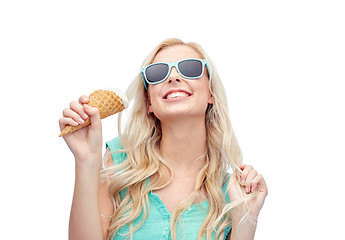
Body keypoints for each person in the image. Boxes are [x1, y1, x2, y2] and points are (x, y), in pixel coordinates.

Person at [59, 38, 268, 240]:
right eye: (157, 73)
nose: (173, 77)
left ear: (211, 92)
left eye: (191, 68)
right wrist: (86, 160)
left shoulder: (231, 192)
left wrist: (245, 218)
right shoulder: (119, 163)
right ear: (149, 101)